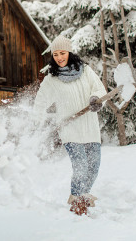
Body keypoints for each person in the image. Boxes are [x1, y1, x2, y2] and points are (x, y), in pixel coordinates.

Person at [34, 35, 107, 213]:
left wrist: (96, 99)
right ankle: (77, 201)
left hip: (89, 126)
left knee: (94, 165)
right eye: (56, 54)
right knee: (81, 165)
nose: (59, 57)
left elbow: (99, 89)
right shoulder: (52, 79)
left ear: (69, 52)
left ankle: (83, 194)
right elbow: (41, 101)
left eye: (62, 53)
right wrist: (36, 121)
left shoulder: (86, 71)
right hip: (69, 129)